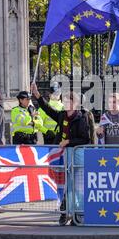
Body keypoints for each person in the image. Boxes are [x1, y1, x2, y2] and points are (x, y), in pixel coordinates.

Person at [31, 82, 93, 226]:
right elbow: (47, 109)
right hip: (65, 154)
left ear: (75, 103)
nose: (65, 104)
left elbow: (85, 138)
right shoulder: (62, 116)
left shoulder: (81, 117)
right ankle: (66, 212)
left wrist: (68, 142)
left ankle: (75, 214)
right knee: (66, 184)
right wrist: (37, 95)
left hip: (77, 154)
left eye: (68, 102)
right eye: (64, 101)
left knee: (76, 185)